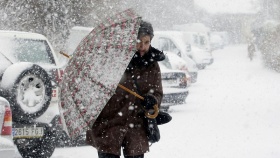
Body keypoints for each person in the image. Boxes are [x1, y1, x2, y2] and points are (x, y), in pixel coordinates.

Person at [86, 20, 165, 158]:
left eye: (146, 42)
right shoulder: (113, 59)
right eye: (138, 41)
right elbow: (98, 88)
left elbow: (157, 92)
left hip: (137, 125)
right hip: (110, 122)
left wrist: (152, 100)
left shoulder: (152, 64)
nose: (142, 46)